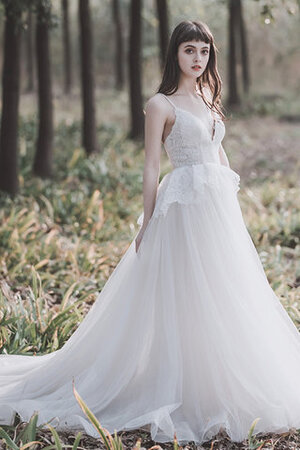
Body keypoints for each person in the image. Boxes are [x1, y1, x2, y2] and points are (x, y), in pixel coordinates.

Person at [1, 19, 300, 447]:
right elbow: (151, 166)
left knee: (223, 289)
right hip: (181, 206)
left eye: (203, 51)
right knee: (185, 291)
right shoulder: (161, 103)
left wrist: (231, 201)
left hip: (216, 207)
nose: (197, 59)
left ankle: (214, 376)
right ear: (174, 54)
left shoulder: (210, 97)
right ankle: (176, 382)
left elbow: (218, 149)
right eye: (189, 51)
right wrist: (147, 220)